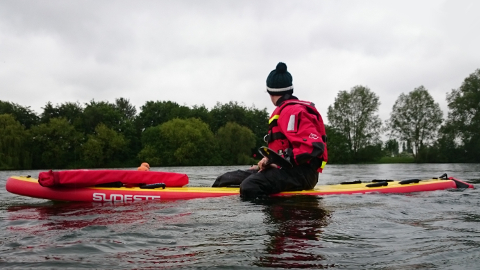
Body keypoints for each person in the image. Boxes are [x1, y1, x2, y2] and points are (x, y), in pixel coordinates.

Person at [212, 62, 328, 199]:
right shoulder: (285, 110)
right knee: (224, 179)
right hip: (286, 169)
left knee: (250, 186)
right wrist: (269, 161)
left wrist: (275, 161)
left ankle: (277, 212)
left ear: (270, 92)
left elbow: (313, 147)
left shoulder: (293, 111)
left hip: (303, 174)